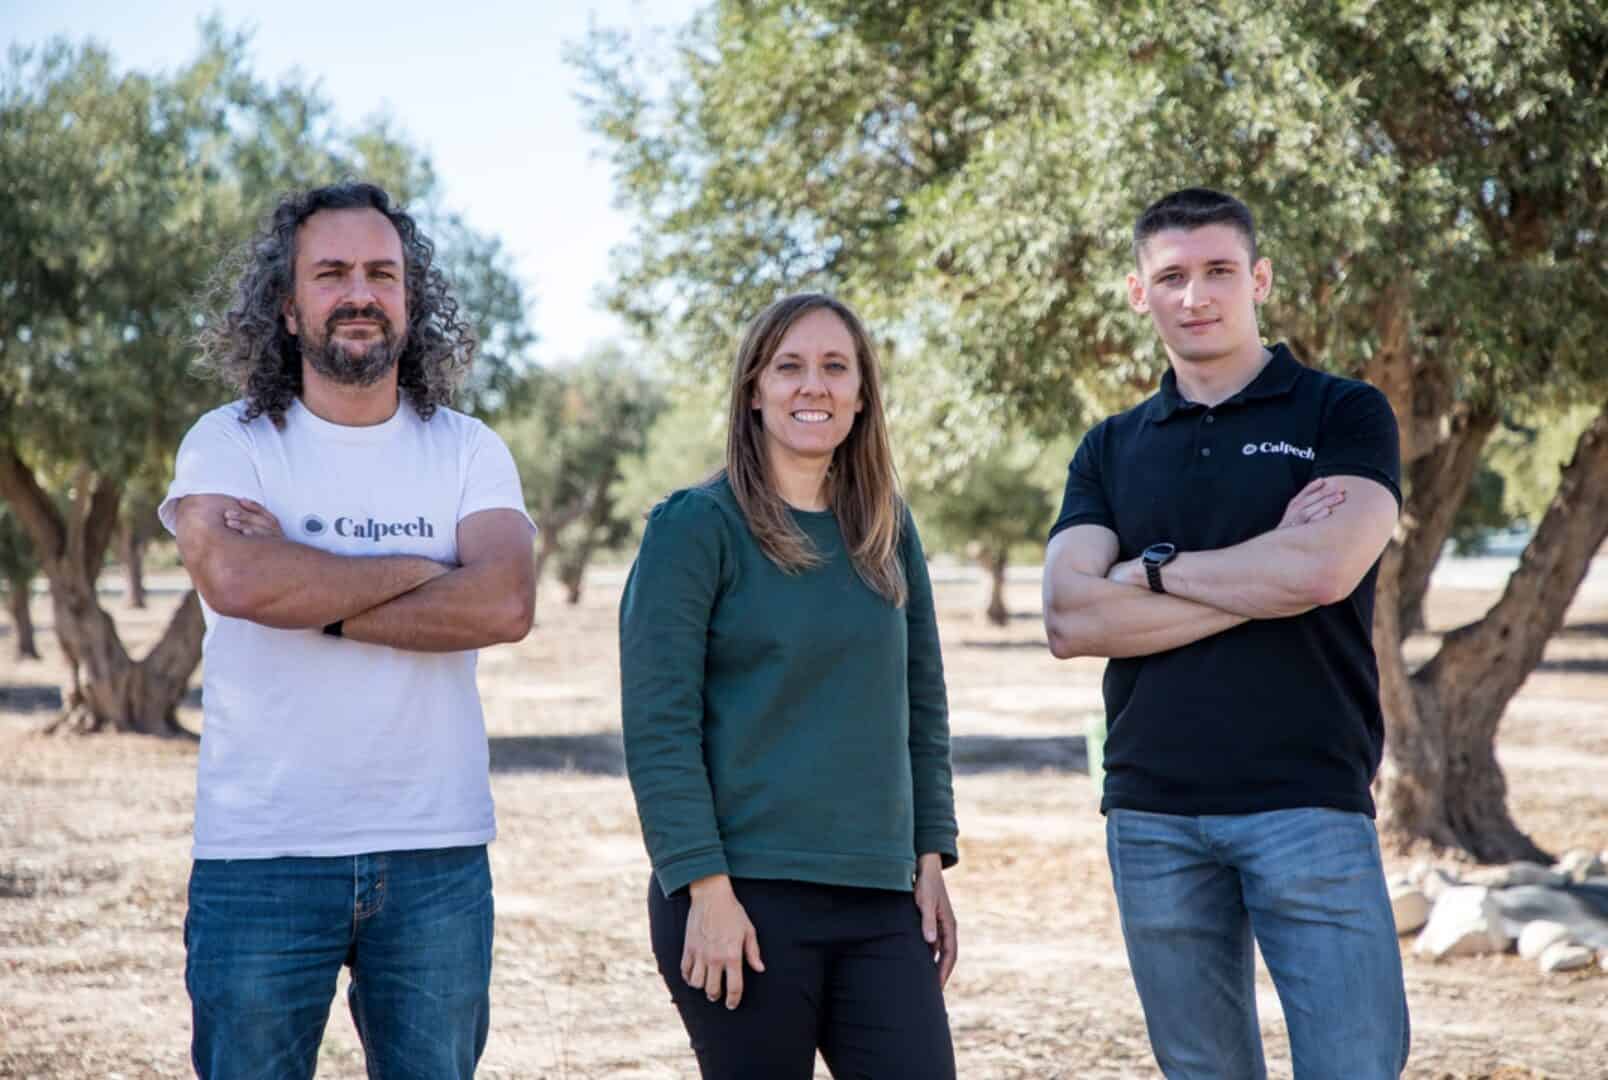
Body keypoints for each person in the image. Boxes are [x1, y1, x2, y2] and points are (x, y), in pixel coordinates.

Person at [161, 181, 536, 1079]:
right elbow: (236, 576)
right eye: (331, 273)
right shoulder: (232, 441)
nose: (360, 292)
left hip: (435, 851)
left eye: (382, 273)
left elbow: (504, 605)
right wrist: (429, 572)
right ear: (288, 309)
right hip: (262, 852)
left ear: (411, 299)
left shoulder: (469, 449)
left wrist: (310, 584)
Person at [1042, 187, 1410, 1078]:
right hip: (1152, 811)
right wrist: (1267, 567)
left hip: (1308, 804)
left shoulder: (1341, 413)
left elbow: (1325, 572)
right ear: (1140, 293)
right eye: (1171, 276)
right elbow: (1067, 616)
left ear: (1260, 279)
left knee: (1355, 1068)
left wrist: (1151, 570)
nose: (1195, 295)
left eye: (1218, 271)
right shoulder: (1110, 446)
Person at [619, 293, 959, 1079]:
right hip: (742, 897)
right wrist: (704, 887)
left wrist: (931, 857)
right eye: (790, 367)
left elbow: (922, 703)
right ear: (754, 389)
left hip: (880, 896)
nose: (815, 386)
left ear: (862, 393)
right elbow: (659, 728)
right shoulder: (694, 527)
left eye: (836, 367)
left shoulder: (885, 528)